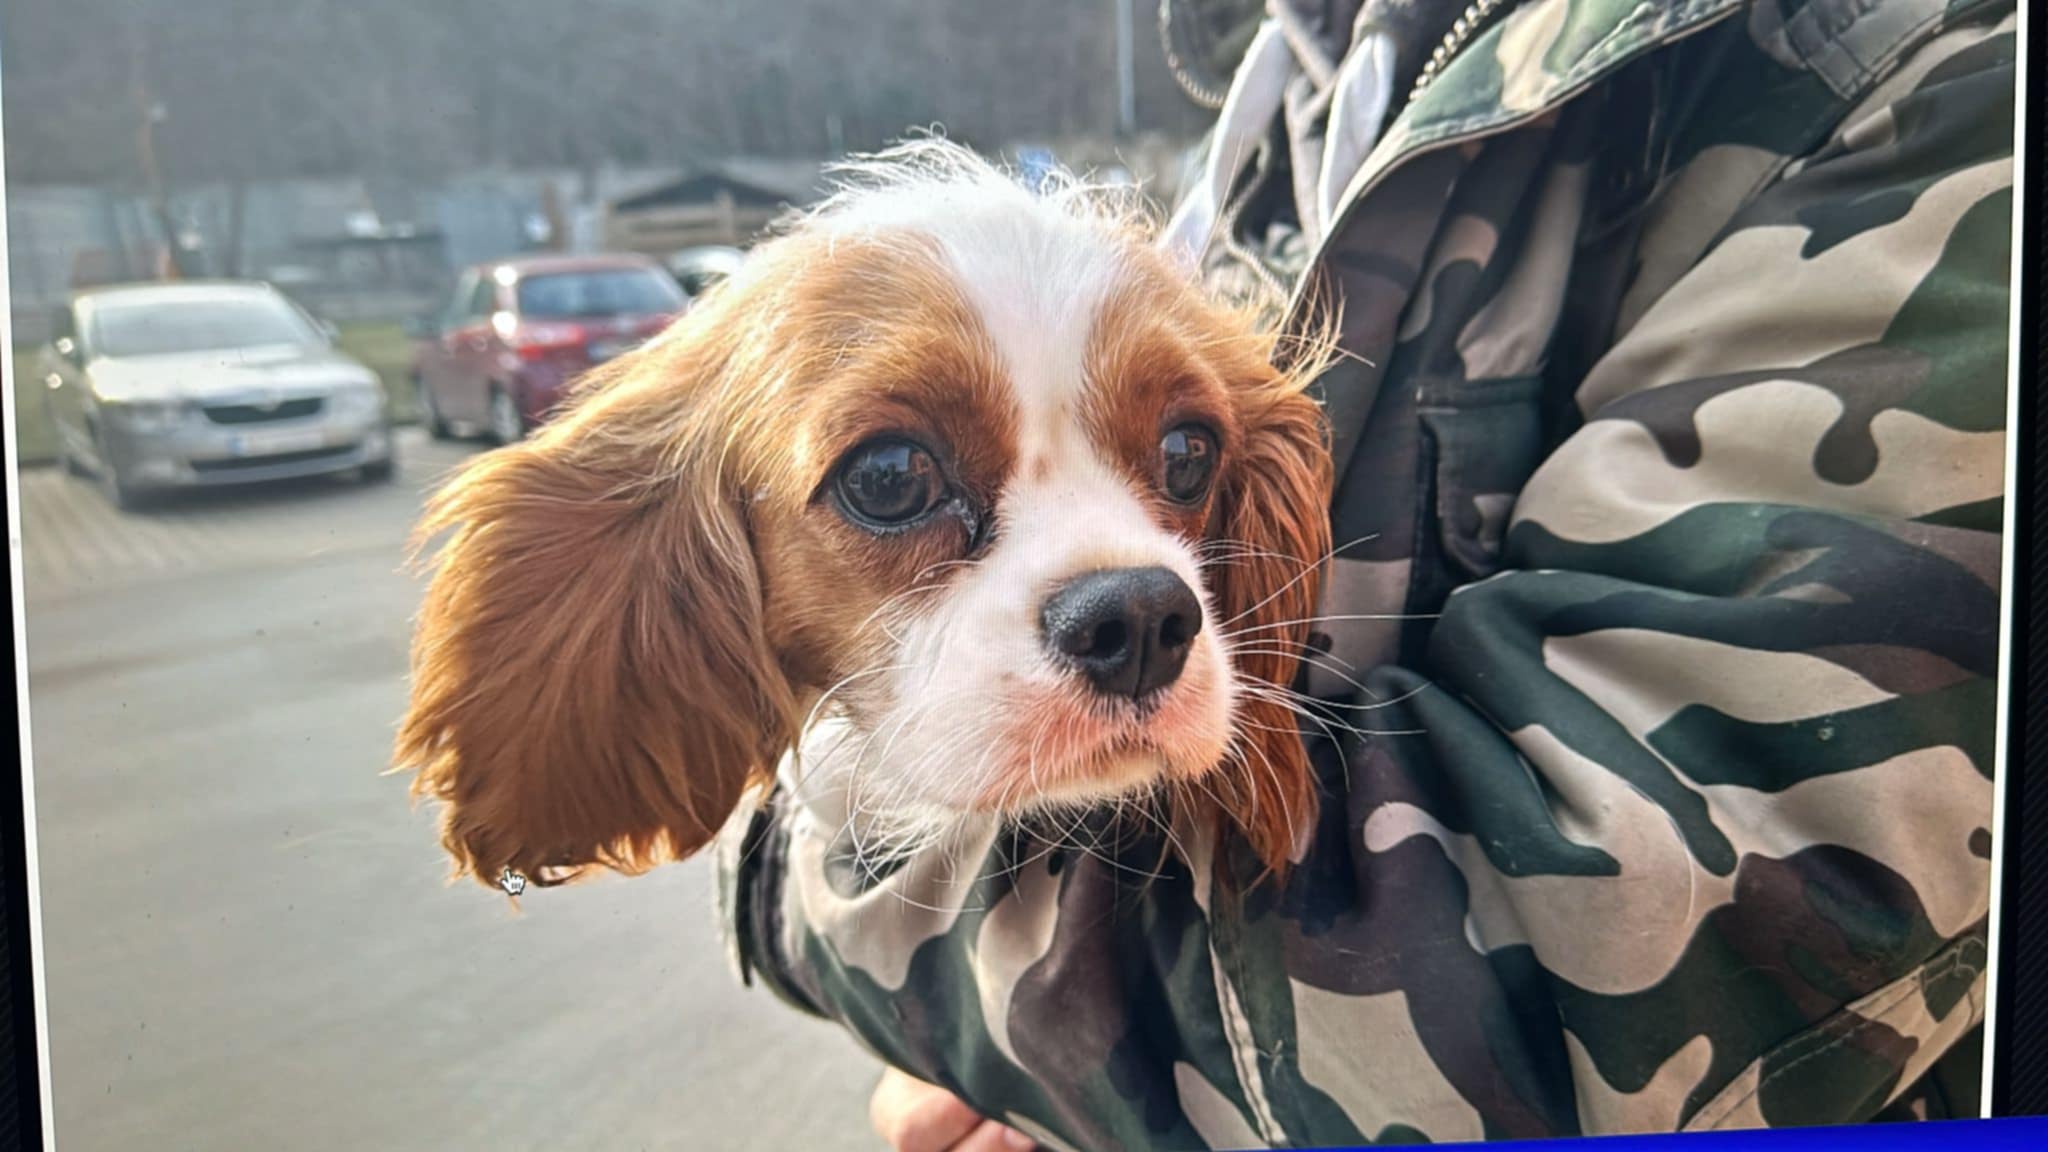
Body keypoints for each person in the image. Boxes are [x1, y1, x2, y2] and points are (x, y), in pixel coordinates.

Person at [719, 0, 2017, 1146]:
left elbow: (1556, 997)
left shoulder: (1931, 63)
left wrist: (817, 888)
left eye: (1184, 461)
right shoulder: (1291, 78)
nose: (1153, 585)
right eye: (895, 481)